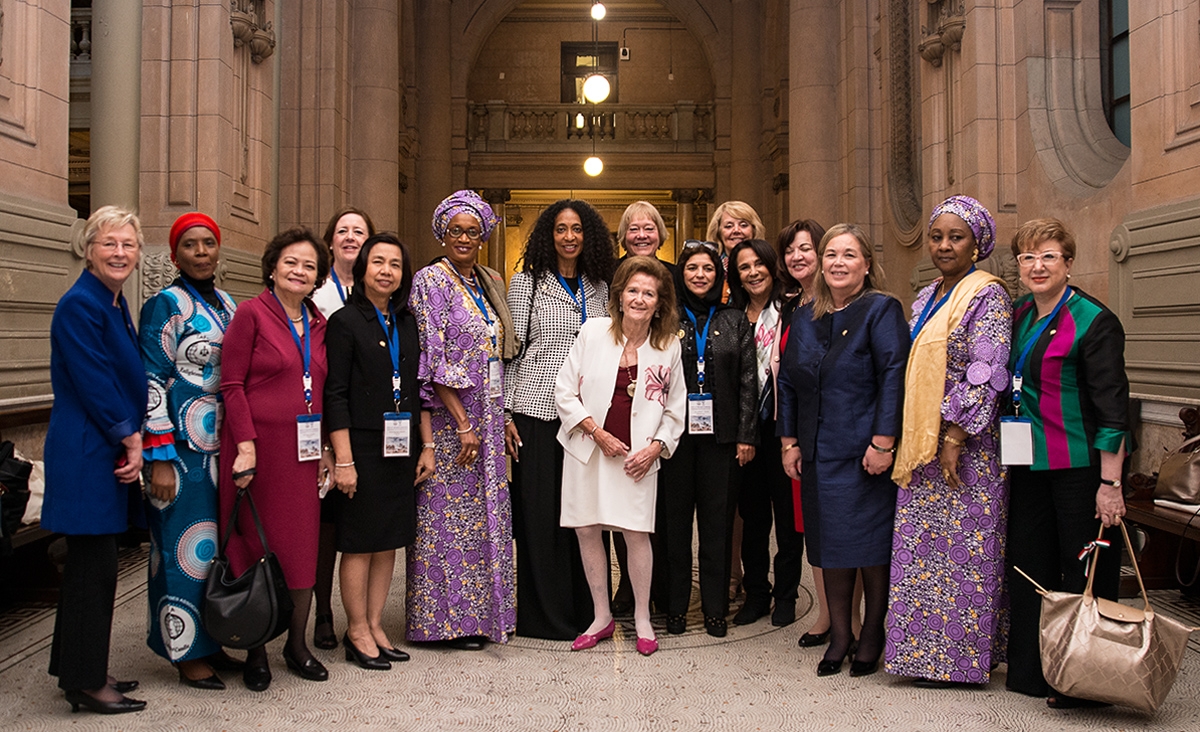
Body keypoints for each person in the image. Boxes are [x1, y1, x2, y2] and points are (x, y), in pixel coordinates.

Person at [885, 196, 1013, 687]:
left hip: (966, 451)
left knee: (964, 557)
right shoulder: (927, 294)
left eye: (955, 237)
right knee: (922, 554)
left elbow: (987, 370)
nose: (943, 245)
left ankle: (959, 660)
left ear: (976, 243)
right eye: (937, 236)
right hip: (922, 445)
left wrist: (956, 434)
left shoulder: (987, 295)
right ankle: (921, 656)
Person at [1003, 218, 1130, 709]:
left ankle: (1084, 680)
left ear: (1068, 263)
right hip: (1027, 463)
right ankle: (1035, 671)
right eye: (1027, 258)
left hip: (1081, 469)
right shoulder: (1016, 316)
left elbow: (1113, 408)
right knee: (1029, 565)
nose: (1037, 266)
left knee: (1082, 572)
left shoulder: (1095, 321)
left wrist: (1111, 483)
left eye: (1048, 256)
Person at [778, 223, 909, 678]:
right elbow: (788, 382)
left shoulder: (881, 310)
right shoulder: (804, 315)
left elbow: (894, 376)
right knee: (828, 547)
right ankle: (840, 635)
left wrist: (883, 442)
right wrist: (789, 440)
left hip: (864, 454)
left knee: (870, 549)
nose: (837, 262)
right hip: (816, 453)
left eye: (849, 255)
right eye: (830, 254)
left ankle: (872, 634)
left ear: (867, 265)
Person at [43, 206, 149, 715]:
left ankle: (77, 667)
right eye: (109, 243)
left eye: (128, 244)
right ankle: (86, 685)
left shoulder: (111, 301)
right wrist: (129, 438)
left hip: (100, 446)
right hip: (88, 450)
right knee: (92, 568)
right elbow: (94, 381)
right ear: (88, 248)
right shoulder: (80, 304)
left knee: (93, 565)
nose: (120, 253)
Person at [218, 227, 333, 692]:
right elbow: (231, 385)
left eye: (309, 266)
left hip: (303, 456)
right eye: (291, 262)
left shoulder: (321, 323)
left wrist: (325, 447)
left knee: (301, 549)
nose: (299, 271)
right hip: (257, 453)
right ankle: (256, 647)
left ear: (318, 277)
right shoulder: (250, 314)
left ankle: (297, 645)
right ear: (272, 267)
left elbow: (324, 389)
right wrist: (245, 444)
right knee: (254, 547)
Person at [555, 257, 686, 656]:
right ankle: (601, 615)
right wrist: (596, 433)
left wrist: (655, 448)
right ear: (620, 295)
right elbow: (564, 391)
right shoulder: (593, 331)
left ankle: (643, 618)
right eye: (633, 290)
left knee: (636, 533)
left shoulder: (669, 346)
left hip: (636, 458)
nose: (640, 298)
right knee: (587, 529)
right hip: (589, 452)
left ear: (660, 302)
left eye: (649, 293)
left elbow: (675, 408)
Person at [408, 190, 517, 650]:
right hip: (454, 423)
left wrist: (501, 414)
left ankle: (480, 617)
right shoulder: (430, 281)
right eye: (456, 230)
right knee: (446, 521)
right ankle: (442, 623)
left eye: (473, 231)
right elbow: (432, 359)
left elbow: (494, 354)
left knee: (480, 520)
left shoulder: (484, 282)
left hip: (486, 417)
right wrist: (462, 423)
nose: (465, 238)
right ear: (442, 233)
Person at [140, 212, 243, 690]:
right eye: (191, 245)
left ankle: (212, 639)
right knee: (180, 550)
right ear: (176, 253)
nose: (201, 252)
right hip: (179, 454)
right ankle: (184, 652)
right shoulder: (165, 304)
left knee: (210, 549)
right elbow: (150, 381)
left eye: (208, 243)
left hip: (218, 448)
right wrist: (158, 456)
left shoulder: (226, 302)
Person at [504, 199, 615, 640]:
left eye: (577, 229)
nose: (569, 236)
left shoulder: (602, 287)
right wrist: (507, 412)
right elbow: (510, 353)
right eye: (560, 229)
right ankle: (543, 615)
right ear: (548, 236)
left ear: (588, 236)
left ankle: (592, 610)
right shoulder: (526, 284)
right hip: (537, 413)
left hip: (588, 419)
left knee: (587, 516)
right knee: (541, 514)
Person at [325, 233, 434, 670]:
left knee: (388, 540)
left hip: (401, 444)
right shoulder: (345, 321)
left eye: (394, 263)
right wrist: (344, 460)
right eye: (378, 262)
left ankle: (374, 624)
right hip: (361, 446)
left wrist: (426, 445)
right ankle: (355, 629)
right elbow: (335, 394)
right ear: (363, 269)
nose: (386, 270)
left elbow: (416, 389)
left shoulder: (407, 322)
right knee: (359, 543)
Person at [655, 240, 758, 637]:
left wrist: (746, 435)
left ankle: (715, 610)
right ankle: (676, 608)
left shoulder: (734, 320)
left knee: (717, 528)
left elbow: (749, 381)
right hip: (675, 440)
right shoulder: (667, 319)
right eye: (693, 268)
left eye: (709, 269)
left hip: (723, 441)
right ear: (681, 275)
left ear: (720, 276)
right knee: (674, 528)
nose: (700, 275)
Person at [774, 218, 855, 648]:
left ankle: (850, 620)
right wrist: (790, 439)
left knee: (844, 526)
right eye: (790, 250)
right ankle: (827, 614)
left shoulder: (847, 304)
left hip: (842, 433)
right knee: (814, 526)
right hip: (801, 431)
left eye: (807, 248)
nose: (797, 257)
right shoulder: (791, 307)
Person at [726, 238, 804, 628]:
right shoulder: (731, 314)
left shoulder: (792, 307)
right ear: (735, 274)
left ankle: (786, 594)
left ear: (772, 266)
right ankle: (756, 592)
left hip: (783, 427)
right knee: (752, 517)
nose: (753, 271)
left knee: (789, 519)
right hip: (745, 429)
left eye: (759, 263)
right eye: (744, 267)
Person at [311, 206, 376, 651]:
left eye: (359, 232)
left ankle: (362, 613)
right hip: (318, 423)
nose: (351, 237)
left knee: (361, 523)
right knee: (325, 526)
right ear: (330, 241)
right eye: (343, 231)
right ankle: (322, 611)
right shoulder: (314, 290)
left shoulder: (381, 291)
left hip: (367, 428)